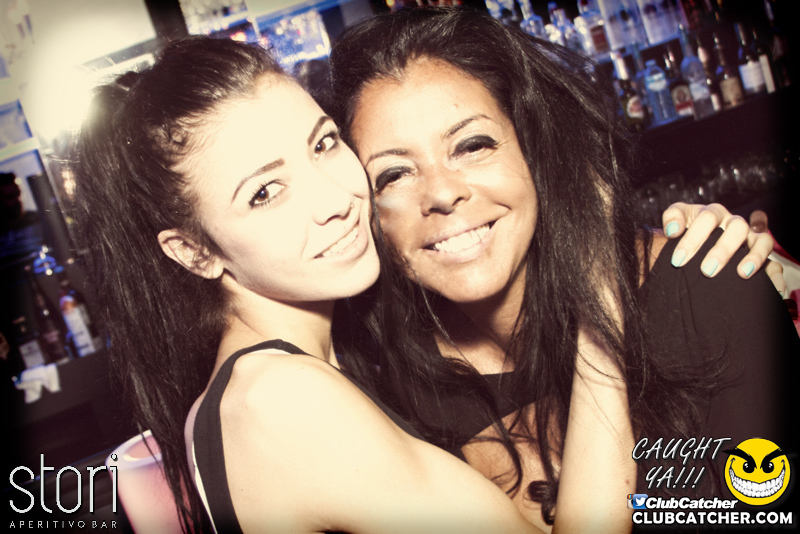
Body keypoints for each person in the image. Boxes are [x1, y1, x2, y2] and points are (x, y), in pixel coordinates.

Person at [327, 7, 798, 532]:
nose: (441, 193)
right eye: (393, 174)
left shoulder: (703, 287)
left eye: (472, 145)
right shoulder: (396, 389)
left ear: (536, 149)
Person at [72, 37, 546, 533]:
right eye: (265, 192)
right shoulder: (281, 400)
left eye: (323, 144)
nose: (336, 199)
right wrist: (594, 342)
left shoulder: (267, 384)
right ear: (195, 252)